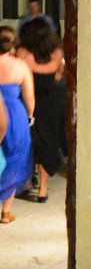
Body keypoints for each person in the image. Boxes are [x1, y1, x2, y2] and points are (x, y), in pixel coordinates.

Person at [16, 15, 65, 202]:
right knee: (48, 142)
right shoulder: (56, 53)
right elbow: (59, 77)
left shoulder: (23, 53)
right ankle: (43, 190)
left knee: (28, 142)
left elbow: (19, 75)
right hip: (51, 104)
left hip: (28, 102)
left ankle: (28, 181)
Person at [0, 28, 34, 223]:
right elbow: (29, 97)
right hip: (14, 113)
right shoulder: (20, 66)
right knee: (15, 157)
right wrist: (30, 115)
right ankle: (6, 212)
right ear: (13, 44)